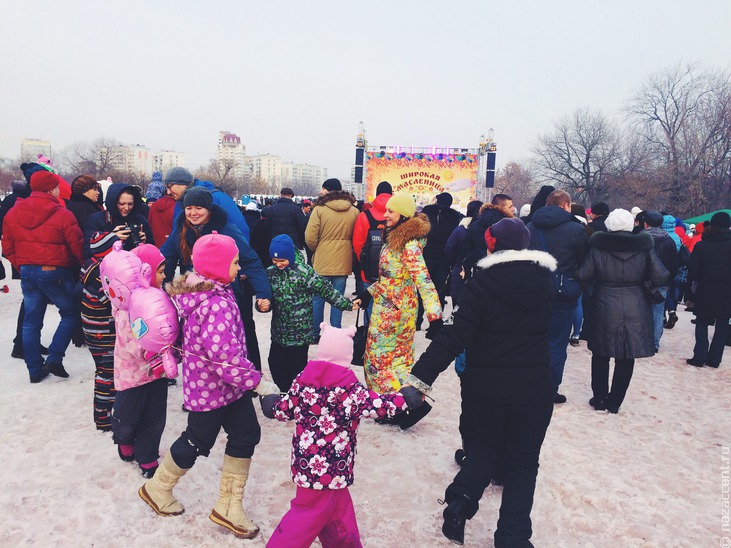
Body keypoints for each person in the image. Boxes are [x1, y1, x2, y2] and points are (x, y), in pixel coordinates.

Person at [404, 217, 557, 547]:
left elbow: (454, 336)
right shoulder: (545, 283)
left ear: (492, 244)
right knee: (523, 461)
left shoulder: (481, 284)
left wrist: (420, 379)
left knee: (487, 443)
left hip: (487, 385)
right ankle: (513, 538)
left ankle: (460, 500)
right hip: (534, 385)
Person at [139, 232, 279, 538]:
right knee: (197, 441)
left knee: (246, 433)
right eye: (234, 262)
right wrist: (260, 384)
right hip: (211, 390)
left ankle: (229, 507)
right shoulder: (214, 303)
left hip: (226, 388)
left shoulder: (214, 290)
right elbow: (225, 360)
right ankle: (157, 488)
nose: (239, 268)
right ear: (217, 266)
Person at [260, 323, 415, 547]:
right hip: (331, 468)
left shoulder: (302, 381)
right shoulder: (349, 388)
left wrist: (271, 403)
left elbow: (285, 408)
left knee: (338, 514)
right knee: (305, 516)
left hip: (309, 465)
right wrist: (404, 400)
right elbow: (377, 405)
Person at [354, 193, 441, 428]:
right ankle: (407, 405)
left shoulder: (408, 245)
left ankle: (393, 407)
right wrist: (367, 293)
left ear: (402, 214)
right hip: (391, 307)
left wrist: (435, 317)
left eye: (390, 212)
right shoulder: (395, 240)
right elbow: (390, 278)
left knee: (380, 360)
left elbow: (424, 280)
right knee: (395, 362)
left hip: (395, 313)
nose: (385, 215)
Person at [160, 186, 271, 370]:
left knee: (240, 337)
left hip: (230, 295)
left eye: (198, 208)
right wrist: (159, 287)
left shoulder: (226, 229)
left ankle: (251, 375)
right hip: (198, 298)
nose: (193, 213)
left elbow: (251, 261)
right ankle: (210, 389)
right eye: (189, 208)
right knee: (202, 342)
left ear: (208, 209)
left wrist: (263, 293)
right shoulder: (180, 231)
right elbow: (165, 259)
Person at [576, 209, 669, 413]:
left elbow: (583, 274)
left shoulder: (598, 247)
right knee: (627, 355)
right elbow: (661, 276)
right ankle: (615, 402)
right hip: (636, 303)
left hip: (603, 303)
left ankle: (599, 399)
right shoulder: (644, 247)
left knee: (600, 353)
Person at [2, 170, 84, 382]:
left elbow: (7, 247)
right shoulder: (62, 214)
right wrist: (81, 267)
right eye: (56, 187)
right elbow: (77, 246)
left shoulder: (13, 213)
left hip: (28, 272)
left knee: (31, 322)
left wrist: (23, 266)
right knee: (71, 312)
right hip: (55, 271)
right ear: (50, 189)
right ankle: (55, 357)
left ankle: (34, 370)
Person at [104, 243, 171, 478]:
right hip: (132, 375)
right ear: (145, 273)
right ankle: (124, 440)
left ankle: (148, 456)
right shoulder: (127, 306)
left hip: (157, 374)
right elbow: (131, 340)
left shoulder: (159, 298)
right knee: (127, 418)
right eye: (160, 271)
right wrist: (155, 354)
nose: (164, 276)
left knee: (154, 418)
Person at [266, 234, 355, 392]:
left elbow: (325, 290)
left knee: (296, 367)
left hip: (300, 333)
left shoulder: (304, 273)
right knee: (275, 363)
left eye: (282, 261)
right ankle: (284, 391)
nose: (278, 264)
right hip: (279, 331)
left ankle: (296, 395)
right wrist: (262, 305)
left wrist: (346, 304)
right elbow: (265, 296)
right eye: (274, 260)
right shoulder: (271, 273)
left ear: (291, 257)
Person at [526, 189, 588, 404]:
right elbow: (584, 259)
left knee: (532, 339)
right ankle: (550, 388)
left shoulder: (530, 226)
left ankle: (529, 384)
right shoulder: (575, 229)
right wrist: (576, 280)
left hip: (532, 290)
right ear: (566, 205)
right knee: (556, 342)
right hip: (563, 291)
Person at [305, 178, 359, 336]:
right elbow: (357, 237)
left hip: (322, 259)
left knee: (318, 297)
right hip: (343, 260)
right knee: (338, 297)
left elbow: (310, 236)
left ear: (327, 190)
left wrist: (318, 249)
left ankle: (316, 332)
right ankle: (335, 332)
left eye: (323, 188)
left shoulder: (319, 209)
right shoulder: (354, 211)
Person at [686, 212, 731, 368]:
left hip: (705, 288)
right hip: (727, 290)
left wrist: (691, 291)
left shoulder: (702, 244)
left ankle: (699, 355)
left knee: (702, 321)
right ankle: (714, 359)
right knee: (723, 323)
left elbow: (693, 270)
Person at [164, 166, 250, 241]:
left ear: (184, 185)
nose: (168, 192)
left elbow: (240, 231)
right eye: (189, 208)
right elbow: (179, 234)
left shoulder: (218, 198)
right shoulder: (180, 203)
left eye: (169, 186)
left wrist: (235, 255)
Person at [417, 192, 463, 328]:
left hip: (425, 256)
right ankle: (435, 323)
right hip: (444, 258)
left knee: (421, 289)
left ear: (437, 200)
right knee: (439, 291)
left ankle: (417, 321)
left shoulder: (426, 214)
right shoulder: (454, 217)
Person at [352, 181, 392, 324]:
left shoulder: (365, 215)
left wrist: (363, 263)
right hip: (391, 274)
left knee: (369, 304)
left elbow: (357, 244)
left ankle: (368, 338)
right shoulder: (397, 216)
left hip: (368, 271)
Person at [84, 182, 153, 259]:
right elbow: (87, 252)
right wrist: (111, 238)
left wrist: (144, 245)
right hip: (107, 268)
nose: (126, 208)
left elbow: (153, 252)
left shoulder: (140, 220)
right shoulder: (97, 219)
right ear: (113, 202)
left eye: (130, 204)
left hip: (135, 266)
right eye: (122, 204)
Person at [642, 211, 679, 351]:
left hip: (642, 280)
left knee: (641, 311)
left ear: (646, 223)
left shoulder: (641, 238)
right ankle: (655, 343)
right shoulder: (669, 240)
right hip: (662, 282)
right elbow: (674, 263)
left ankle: (642, 339)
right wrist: (668, 278)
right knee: (657, 313)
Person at [147, 172, 176, 248]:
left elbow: (149, 224)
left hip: (156, 245)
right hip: (171, 246)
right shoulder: (177, 206)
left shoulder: (153, 206)